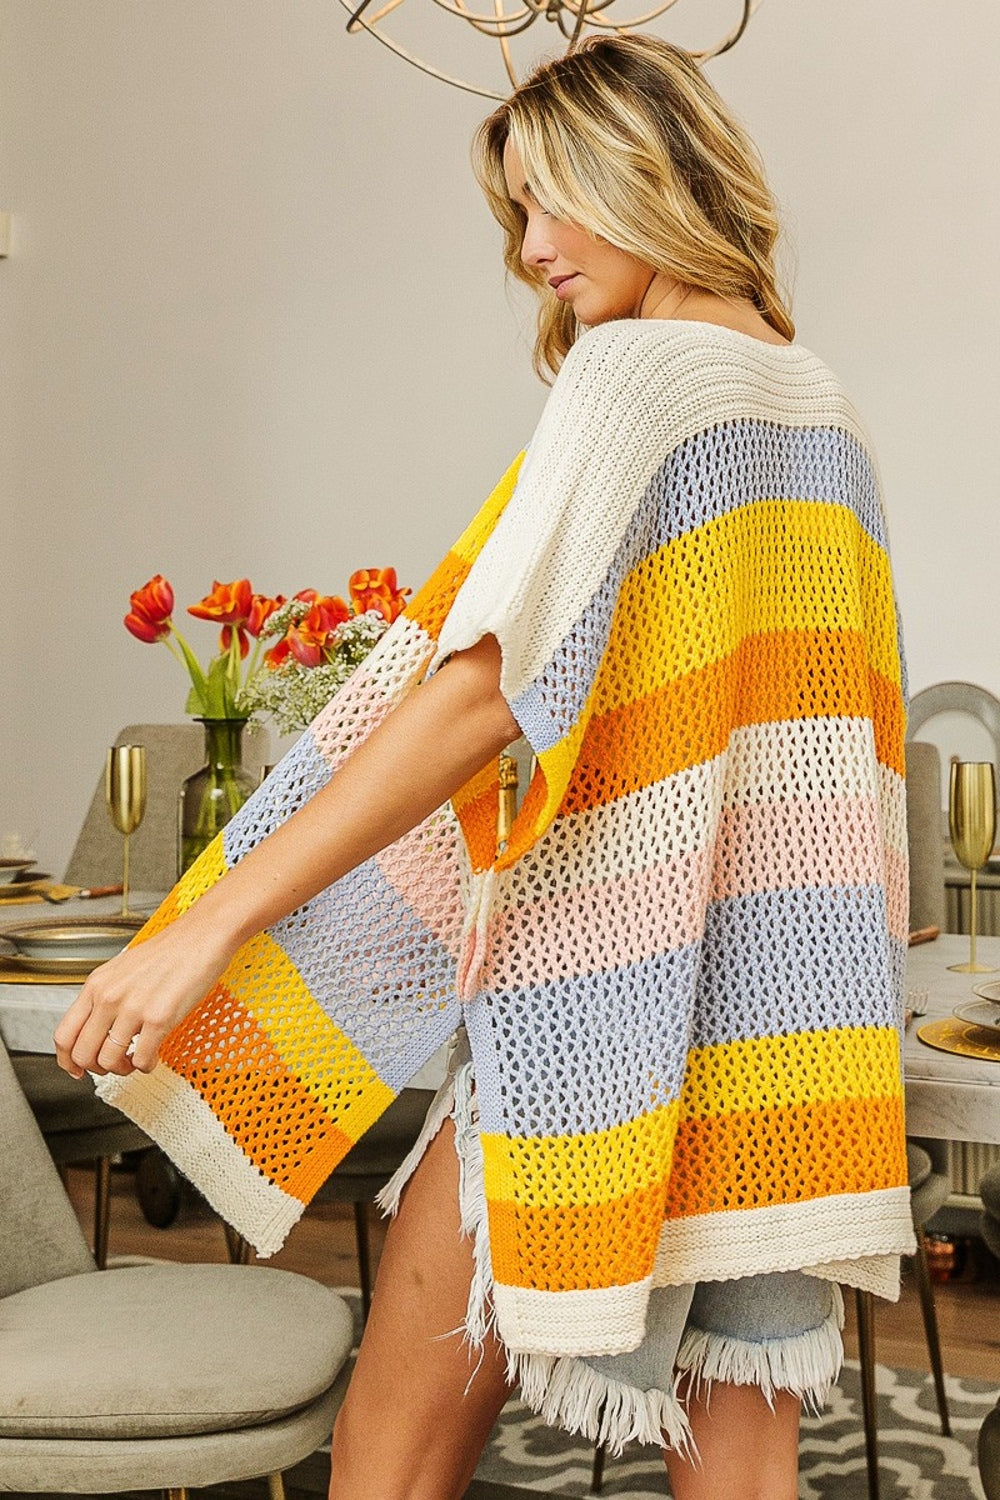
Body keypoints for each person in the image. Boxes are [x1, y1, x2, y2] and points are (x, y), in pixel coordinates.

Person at [55, 34, 914, 1500]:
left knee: (393, 1436)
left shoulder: (638, 376)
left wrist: (209, 925)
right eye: (513, 216)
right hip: (783, 1012)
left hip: (605, 997)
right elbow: (847, 740)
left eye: (550, 204)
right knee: (748, 1442)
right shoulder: (812, 394)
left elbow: (482, 698)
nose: (531, 254)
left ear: (645, 178)